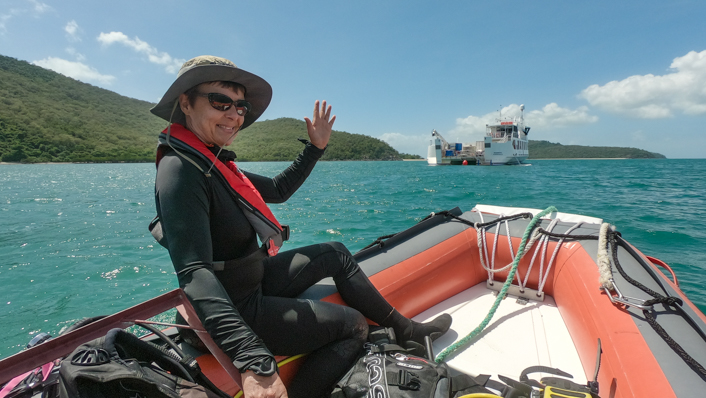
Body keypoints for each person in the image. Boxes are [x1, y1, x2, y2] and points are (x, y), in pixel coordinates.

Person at [150, 55, 452, 398]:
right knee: (353, 326)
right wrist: (253, 359)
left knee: (335, 253)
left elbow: (277, 190)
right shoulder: (180, 170)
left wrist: (315, 148)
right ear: (186, 103)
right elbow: (194, 271)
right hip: (235, 307)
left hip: (255, 279)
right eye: (220, 101)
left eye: (241, 105)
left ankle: (406, 330)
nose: (234, 114)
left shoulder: (211, 162)